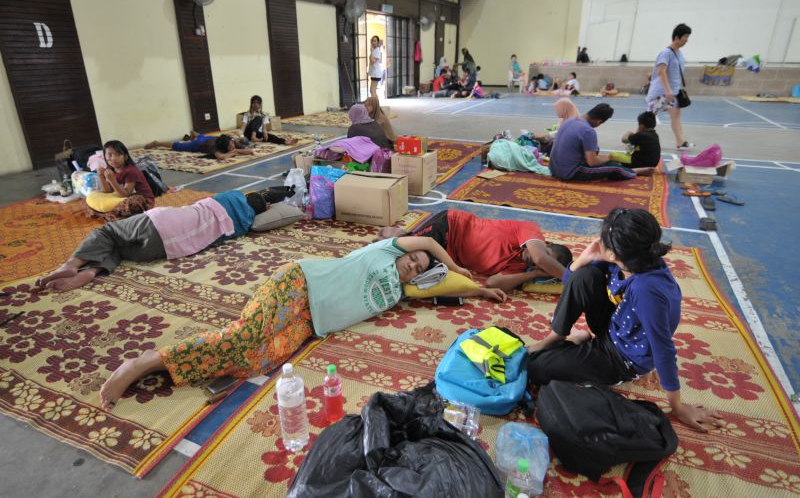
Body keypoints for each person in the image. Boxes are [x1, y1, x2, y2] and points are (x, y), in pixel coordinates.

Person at [98, 236, 507, 410]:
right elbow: (432, 245)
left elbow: (443, 289)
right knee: (246, 337)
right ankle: (144, 362)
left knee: (260, 360)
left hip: (311, 322)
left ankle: (197, 363)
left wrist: (480, 291)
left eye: (417, 268)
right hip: (298, 283)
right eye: (412, 259)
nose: (413, 264)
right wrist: (454, 265)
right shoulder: (384, 252)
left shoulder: (404, 291)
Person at [527, 208, 724, 432]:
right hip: (612, 327)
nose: (598, 242)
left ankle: (583, 351)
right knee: (584, 275)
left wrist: (677, 407)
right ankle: (556, 338)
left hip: (621, 358)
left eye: (603, 241)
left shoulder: (648, 290)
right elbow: (570, 282)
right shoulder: (627, 258)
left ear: (614, 253)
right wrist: (583, 258)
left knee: (536, 367)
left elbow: (663, 349)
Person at [35, 190, 270, 292]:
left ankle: (72, 265)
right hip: (166, 249)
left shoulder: (232, 197)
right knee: (119, 248)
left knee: (107, 234)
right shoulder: (242, 226)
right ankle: (94, 270)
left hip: (160, 223)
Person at [378, 209, 572, 293]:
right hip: (450, 227)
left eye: (544, 267)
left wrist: (535, 273)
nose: (538, 261)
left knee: (419, 273)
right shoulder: (530, 230)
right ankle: (398, 234)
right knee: (397, 251)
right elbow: (539, 256)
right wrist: (573, 280)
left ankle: (406, 234)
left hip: (447, 256)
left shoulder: (520, 268)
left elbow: (492, 282)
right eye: (547, 257)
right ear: (546, 243)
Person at [549, 103, 654, 181]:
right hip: (570, 173)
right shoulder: (588, 131)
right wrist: (609, 158)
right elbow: (592, 162)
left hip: (553, 168)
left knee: (597, 151)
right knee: (614, 166)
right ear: (599, 121)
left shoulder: (570, 121)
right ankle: (635, 171)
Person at [647, 23, 693, 150]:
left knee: (676, 116)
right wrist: (668, 90)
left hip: (674, 92)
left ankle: (680, 142)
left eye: (688, 37)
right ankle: (635, 141)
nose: (686, 40)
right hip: (661, 93)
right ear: (677, 37)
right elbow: (661, 71)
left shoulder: (679, 53)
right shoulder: (666, 53)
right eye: (685, 37)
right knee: (649, 118)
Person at [85, 140, 155, 221]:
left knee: (131, 203)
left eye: (118, 154)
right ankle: (110, 213)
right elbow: (108, 191)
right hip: (126, 196)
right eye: (110, 155)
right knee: (92, 196)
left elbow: (125, 195)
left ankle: (109, 214)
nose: (114, 158)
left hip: (145, 201)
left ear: (125, 157)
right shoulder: (110, 169)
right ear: (105, 157)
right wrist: (101, 176)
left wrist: (112, 180)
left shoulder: (131, 171)